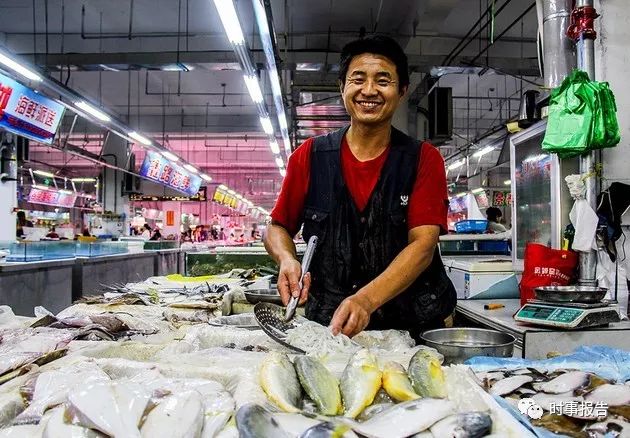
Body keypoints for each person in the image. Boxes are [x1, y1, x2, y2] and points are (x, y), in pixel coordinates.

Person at [264, 35, 456, 341]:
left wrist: (366, 299)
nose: (369, 90)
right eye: (358, 79)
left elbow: (423, 246)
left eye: (383, 80)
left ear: (402, 90)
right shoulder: (309, 157)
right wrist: (287, 260)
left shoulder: (423, 159)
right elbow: (277, 227)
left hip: (413, 326)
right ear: (342, 87)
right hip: (332, 327)